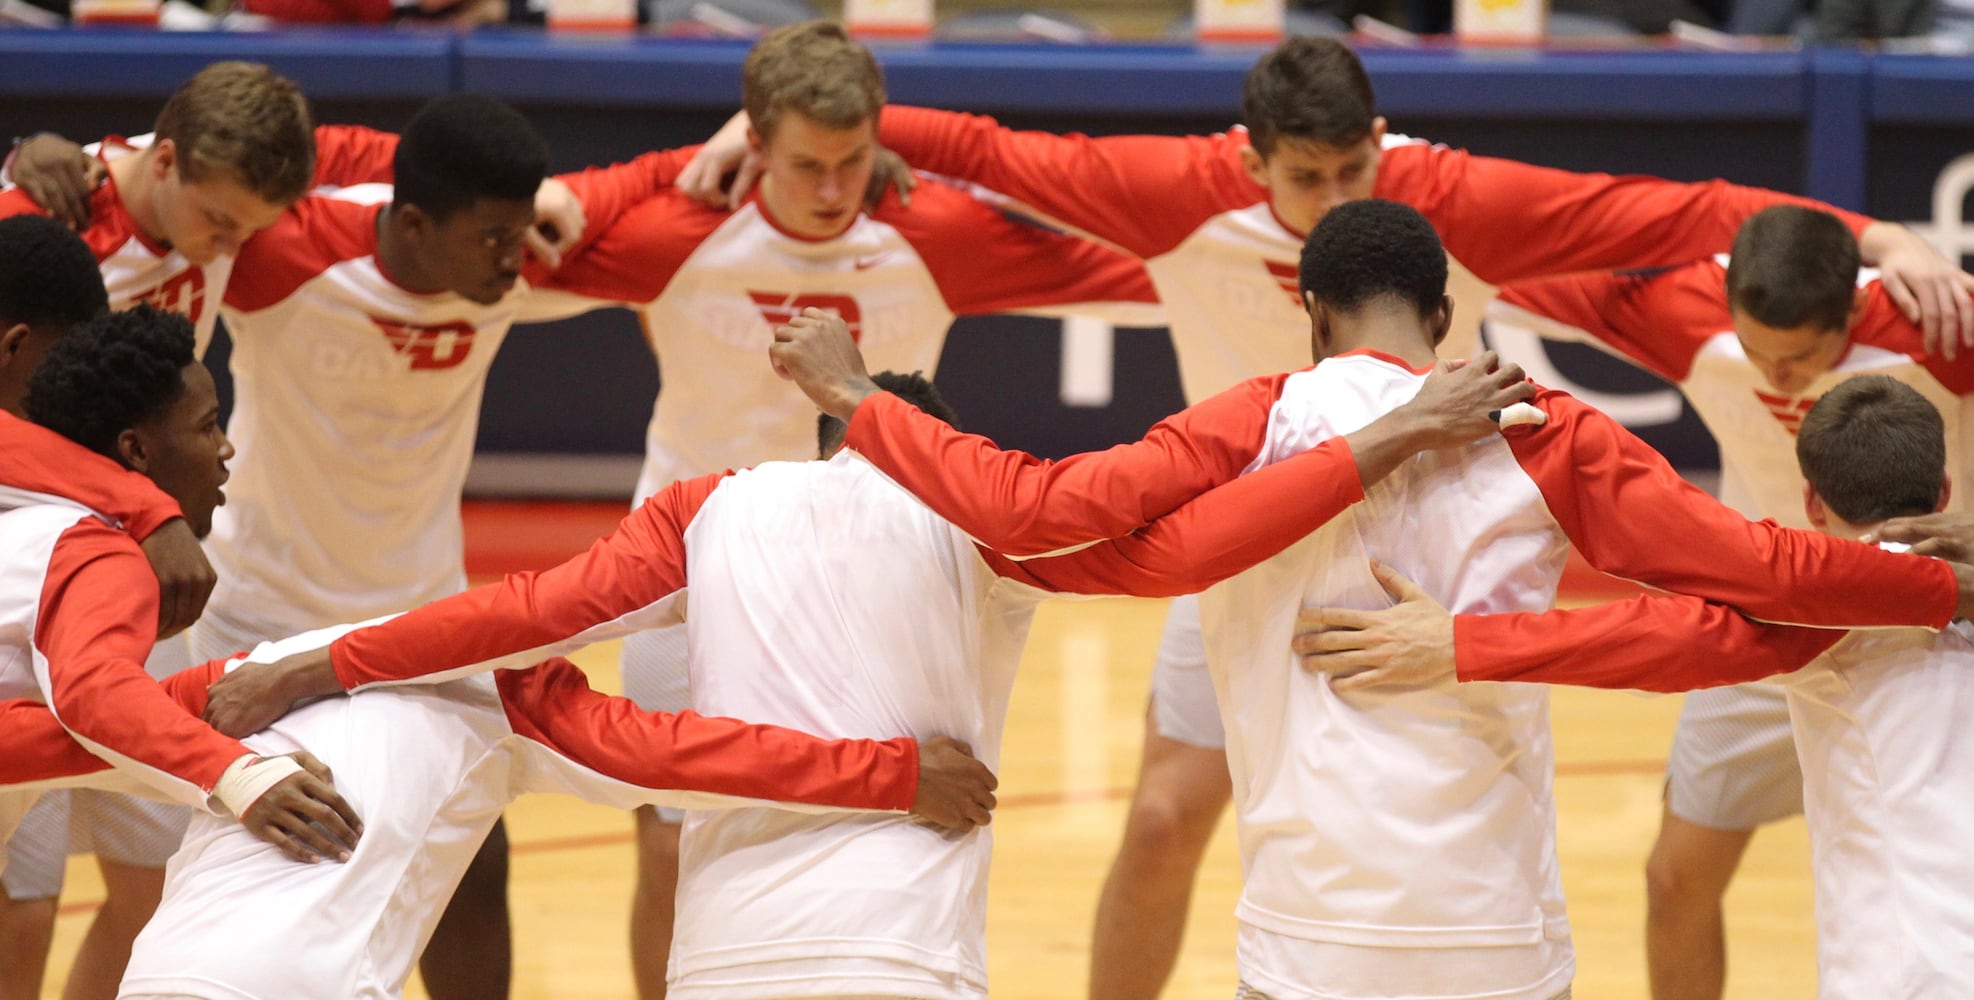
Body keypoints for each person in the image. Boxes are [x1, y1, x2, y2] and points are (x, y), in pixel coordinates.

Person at [681, 36, 1974, 996]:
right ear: (1451, 310)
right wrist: (1928, 582)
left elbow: (1040, 512)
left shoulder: (1232, 442)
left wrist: (867, 407)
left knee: (1169, 800)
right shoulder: (1548, 430)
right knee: (1158, 816)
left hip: (1300, 943)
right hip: (1492, 938)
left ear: (1305, 308)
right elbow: (1744, 580)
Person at [535, 21, 1156, 995]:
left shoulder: (935, 232)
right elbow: (496, 253)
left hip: (876, 569)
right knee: (668, 844)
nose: (832, 190)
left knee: (894, 825)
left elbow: (1149, 264)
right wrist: (646, 174)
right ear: (753, 143)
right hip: (692, 570)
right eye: (806, 165)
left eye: (852, 161)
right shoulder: (677, 233)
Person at [1295, 375, 1971, 998]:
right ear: (1943, 489)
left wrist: (1459, 643)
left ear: (1811, 503)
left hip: (1913, 965)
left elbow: (1655, 642)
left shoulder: (1831, 608)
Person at [1481, 204, 1970, 1000]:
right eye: (1758, 354)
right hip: (1768, 612)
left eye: (1802, 358)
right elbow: (1500, 266)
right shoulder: (1685, 313)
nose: (1779, 378)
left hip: (1928, 612)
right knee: (1677, 877)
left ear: (1851, 308)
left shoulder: (1939, 327)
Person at [0, 305, 364, 877]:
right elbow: (96, 699)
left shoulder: (36, 519)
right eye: (207, 425)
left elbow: (68, 733)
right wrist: (235, 772)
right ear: (136, 452)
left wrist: (221, 757)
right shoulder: (96, 550)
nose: (226, 448)